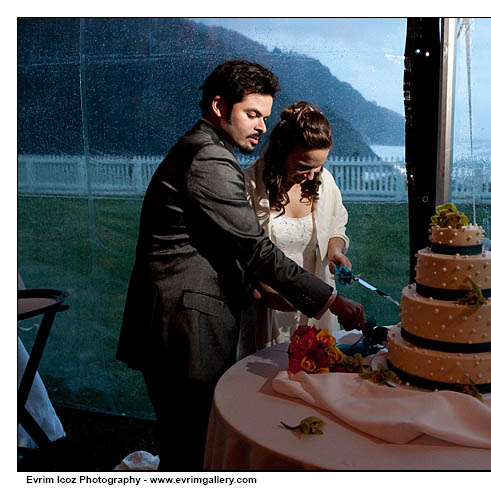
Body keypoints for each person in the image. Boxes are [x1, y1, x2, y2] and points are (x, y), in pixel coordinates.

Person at [116, 60, 366, 471]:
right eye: (252, 114)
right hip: (183, 327)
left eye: (265, 117)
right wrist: (332, 301)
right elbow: (254, 249)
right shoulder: (209, 161)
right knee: (192, 450)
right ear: (219, 106)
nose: (261, 127)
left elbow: (225, 246)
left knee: (191, 445)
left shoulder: (205, 151)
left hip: (180, 322)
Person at [240, 101, 350, 355]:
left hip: (315, 298)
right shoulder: (250, 186)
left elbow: (337, 226)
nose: (313, 175)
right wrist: (269, 293)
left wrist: (335, 251)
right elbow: (246, 252)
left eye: (319, 166)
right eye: (304, 166)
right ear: (280, 151)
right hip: (269, 305)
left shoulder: (325, 182)